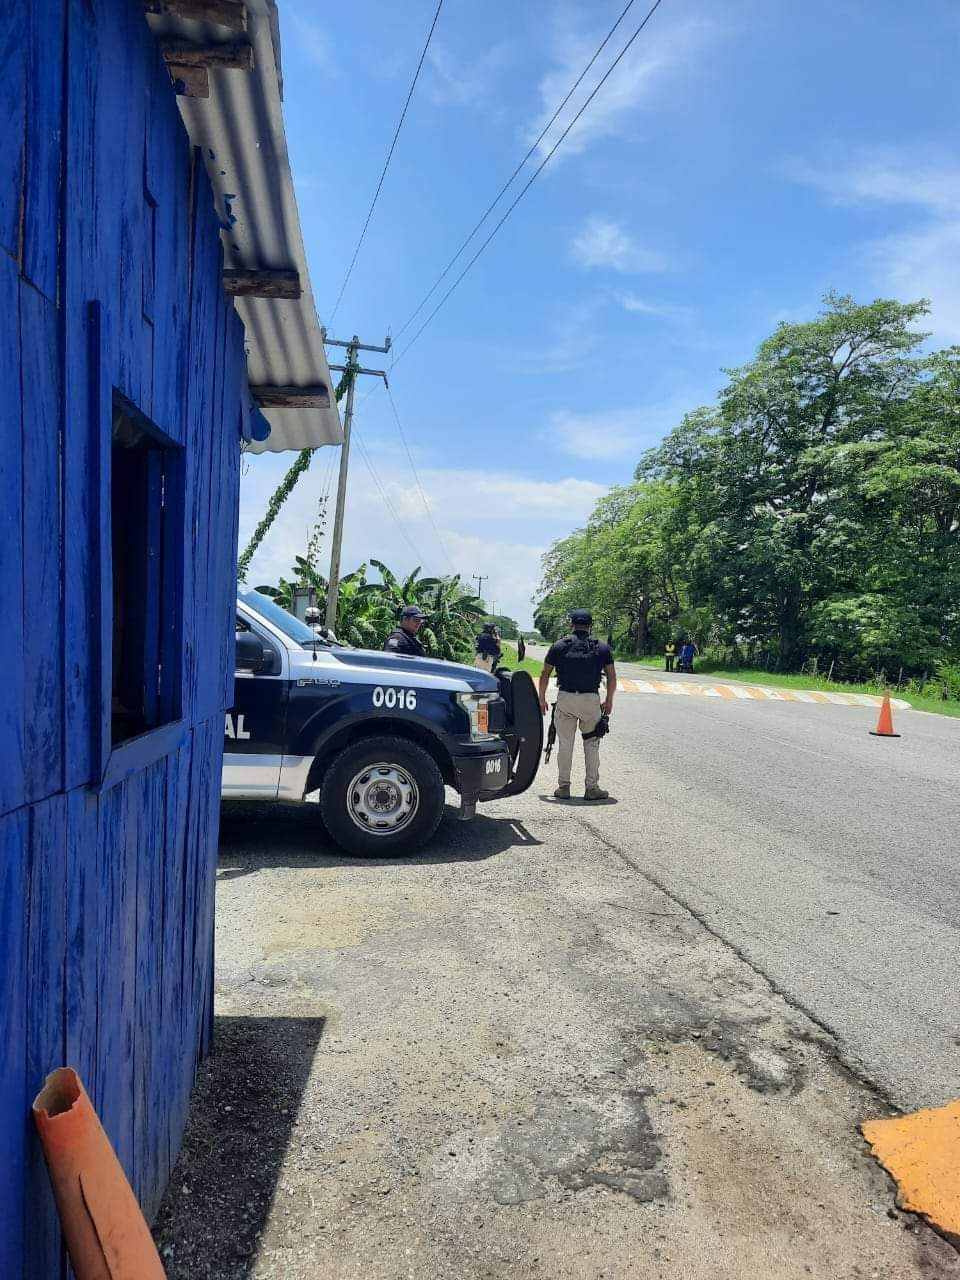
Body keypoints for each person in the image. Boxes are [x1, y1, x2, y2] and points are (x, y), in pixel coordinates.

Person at [537, 609, 616, 802]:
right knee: (592, 744)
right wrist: (609, 700)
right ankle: (592, 788)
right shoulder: (602, 648)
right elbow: (612, 678)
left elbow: (545, 674)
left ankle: (563, 787)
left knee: (565, 744)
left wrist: (541, 698)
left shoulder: (559, 646)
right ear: (590, 626)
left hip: (566, 699)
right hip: (590, 700)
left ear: (571, 624)